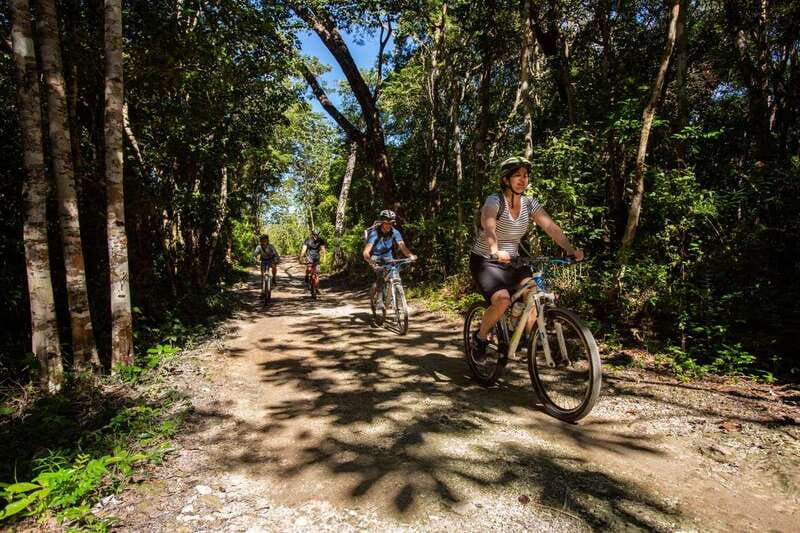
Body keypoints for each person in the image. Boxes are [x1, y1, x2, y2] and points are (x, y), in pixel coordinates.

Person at [470, 156, 584, 360]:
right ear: (506, 179)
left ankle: (528, 340)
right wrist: (495, 249)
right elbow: (489, 226)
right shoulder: (495, 200)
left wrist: (570, 249)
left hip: (513, 260)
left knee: (533, 291)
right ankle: (480, 337)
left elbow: (550, 227)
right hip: (486, 260)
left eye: (525, 176)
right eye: (517, 175)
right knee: (503, 299)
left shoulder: (529, 203)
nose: (523, 179)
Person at [362, 209, 417, 310]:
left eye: (391, 223)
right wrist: (371, 262)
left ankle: (399, 302)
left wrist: (410, 256)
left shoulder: (395, 232)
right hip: (376, 258)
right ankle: (379, 300)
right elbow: (366, 252)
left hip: (390, 258)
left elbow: (402, 246)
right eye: (386, 223)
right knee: (381, 275)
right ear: (382, 222)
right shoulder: (375, 233)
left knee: (396, 275)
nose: (388, 225)